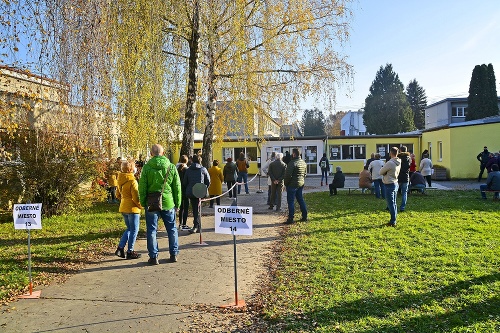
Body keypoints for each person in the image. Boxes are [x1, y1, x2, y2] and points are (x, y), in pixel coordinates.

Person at [138, 144, 181, 265]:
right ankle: (173, 254)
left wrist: (143, 202)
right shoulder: (171, 167)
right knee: (172, 229)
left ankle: (153, 256)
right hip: (168, 202)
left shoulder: (146, 168)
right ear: (163, 153)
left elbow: (142, 187)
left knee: (151, 230)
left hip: (151, 203)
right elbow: (177, 187)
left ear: (151, 153)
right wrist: (178, 203)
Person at [115, 160, 142, 260]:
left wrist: (124, 200)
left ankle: (120, 248)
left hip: (123, 207)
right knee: (134, 230)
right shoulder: (132, 181)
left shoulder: (120, 180)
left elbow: (117, 195)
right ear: (131, 169)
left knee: (129, 229)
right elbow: (136, 197)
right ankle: (130, 251)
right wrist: (141, 206)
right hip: (133, 208)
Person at [183, 154, 210, 234]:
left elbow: (185, 182)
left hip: (191, 192)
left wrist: (190, 187)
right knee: (197, 209)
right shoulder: (203, 169)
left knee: (195, 208)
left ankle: (197, 226)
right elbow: (208, 181)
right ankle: (197, 226)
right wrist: (204, 188)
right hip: (200, 191)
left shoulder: (188, 170)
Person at [283, 148, 307, 224]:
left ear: (294, 154)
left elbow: (288, 175)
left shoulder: (292, 163)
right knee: (300, 200)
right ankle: (304, 216)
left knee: (290, 201)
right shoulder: (303, 163)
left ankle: (291, 218)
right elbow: (305, 174)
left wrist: (286, 184)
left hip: (292, 185)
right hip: (300, 184)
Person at [380, 147, 401, 227]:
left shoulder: (390, 163)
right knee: (394, 203)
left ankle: (393, 221)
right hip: (395, 182)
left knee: (390, 204)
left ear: (390, 153)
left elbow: (381, 172)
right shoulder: (398, 161)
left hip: (389, 184)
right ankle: (394, 219)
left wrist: (385, 172)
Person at [177, 155, 190, 230]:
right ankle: (184, 224)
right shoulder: (187, 170)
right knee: (186, 207)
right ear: (186, 161)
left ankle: (180, 224)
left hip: (179, 190)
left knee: (181, 208)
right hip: (186, 190)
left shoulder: (176, 168)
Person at [397, 146, 411, 212]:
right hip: (406, 177)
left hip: (398, 176)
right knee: (404, 193)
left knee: (394, 192)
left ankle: (392, 205)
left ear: (400, 150)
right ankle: (402, 207)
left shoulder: (398, 158)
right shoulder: (409, 158)